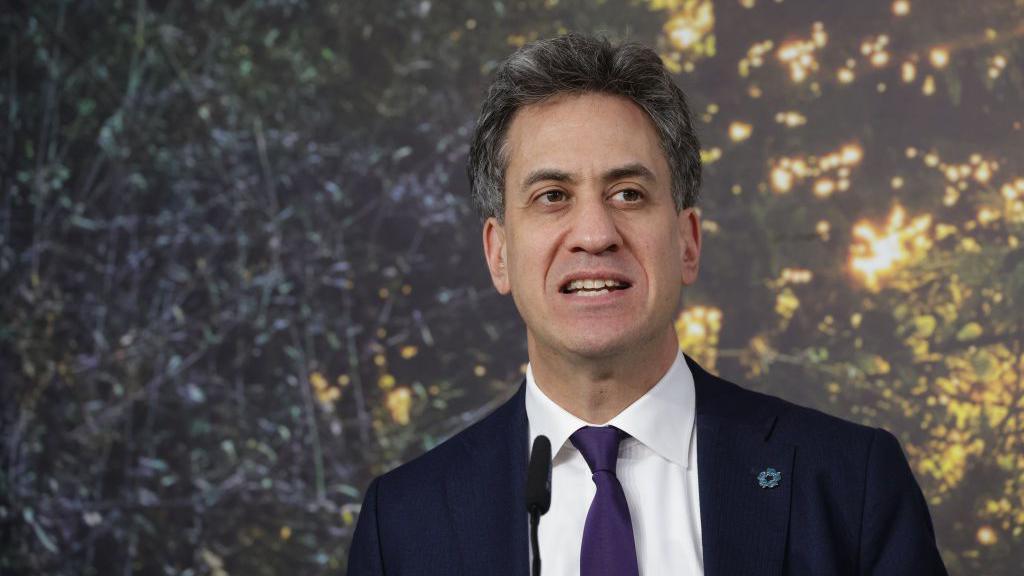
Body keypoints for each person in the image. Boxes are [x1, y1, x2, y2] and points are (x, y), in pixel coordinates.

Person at [346, 33, 948, 576]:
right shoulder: (402, 523)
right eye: (552, 196)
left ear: (687, 242)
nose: (595, 233)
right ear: (498, 253)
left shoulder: (849, 483)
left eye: (628, 193)